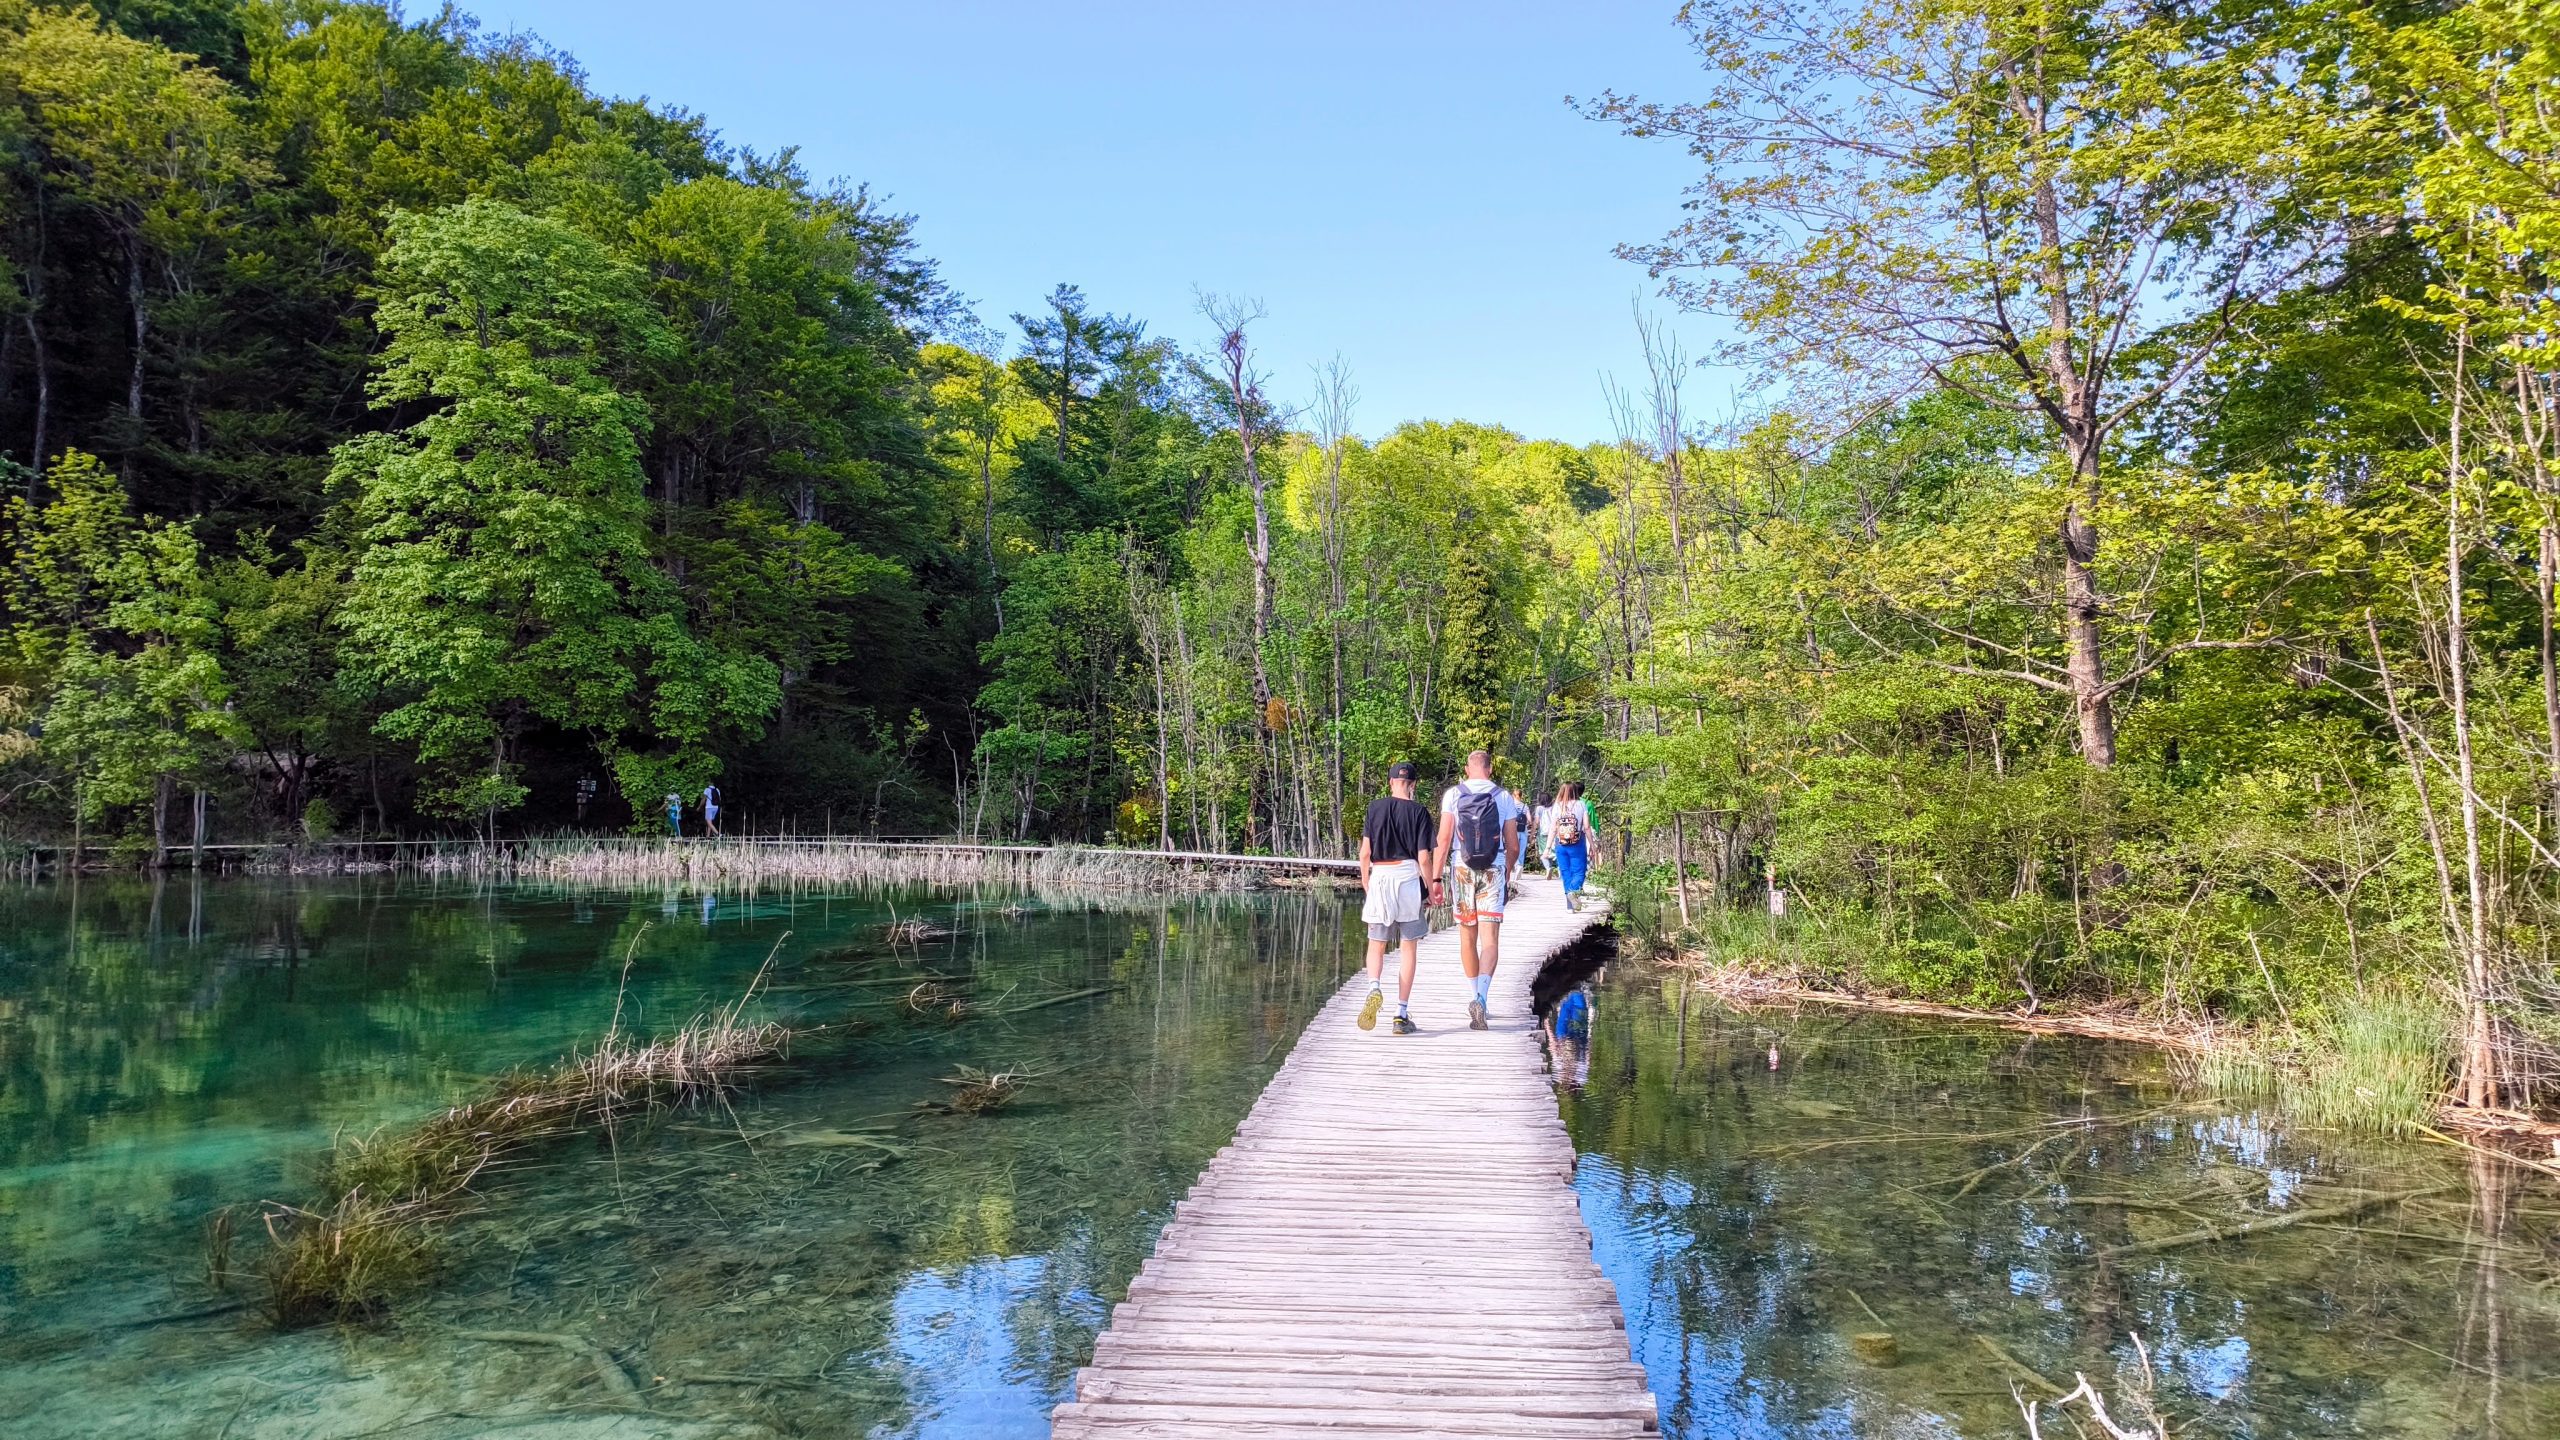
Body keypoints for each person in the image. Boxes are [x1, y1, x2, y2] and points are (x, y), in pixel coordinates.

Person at [1433, 749, 1526, 1030]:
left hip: (1462, 869)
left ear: (1466, 769)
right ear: (1490, 768)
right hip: (1493, 868)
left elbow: (1444, 839)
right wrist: (1506, 870)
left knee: (1467, 937)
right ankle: (1482, 999)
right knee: (1490, 941)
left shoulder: (1453, 794)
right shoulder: (1504, 797)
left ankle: (1473, 993)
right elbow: (1513, 845)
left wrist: (1435, 878)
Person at [1356, 761, 1437, 1035]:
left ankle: (1374, 988)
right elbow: (1424, 858)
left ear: (1390, 782)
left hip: (1380, 876)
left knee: (1376, 943)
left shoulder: (1374, 808)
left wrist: (1366, 880)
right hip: (1408, 879)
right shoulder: (1419, 812)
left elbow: (1365, 853)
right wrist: (1431, 888)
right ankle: (1401, 1015)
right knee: (1408, 948)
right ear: (1413, 785)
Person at [1552, 779, 1594, 912]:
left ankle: (1570, 907)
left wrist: (1547, 848)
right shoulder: (1581, 804)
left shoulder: (1557, 806)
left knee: (1566, 873)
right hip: (1577, 842)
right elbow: (1586, 827)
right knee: (1579, 872)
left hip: (1561, 843)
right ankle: (1573, 891)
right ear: (1575, 791)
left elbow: (1553, 828)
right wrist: (1592, 845)